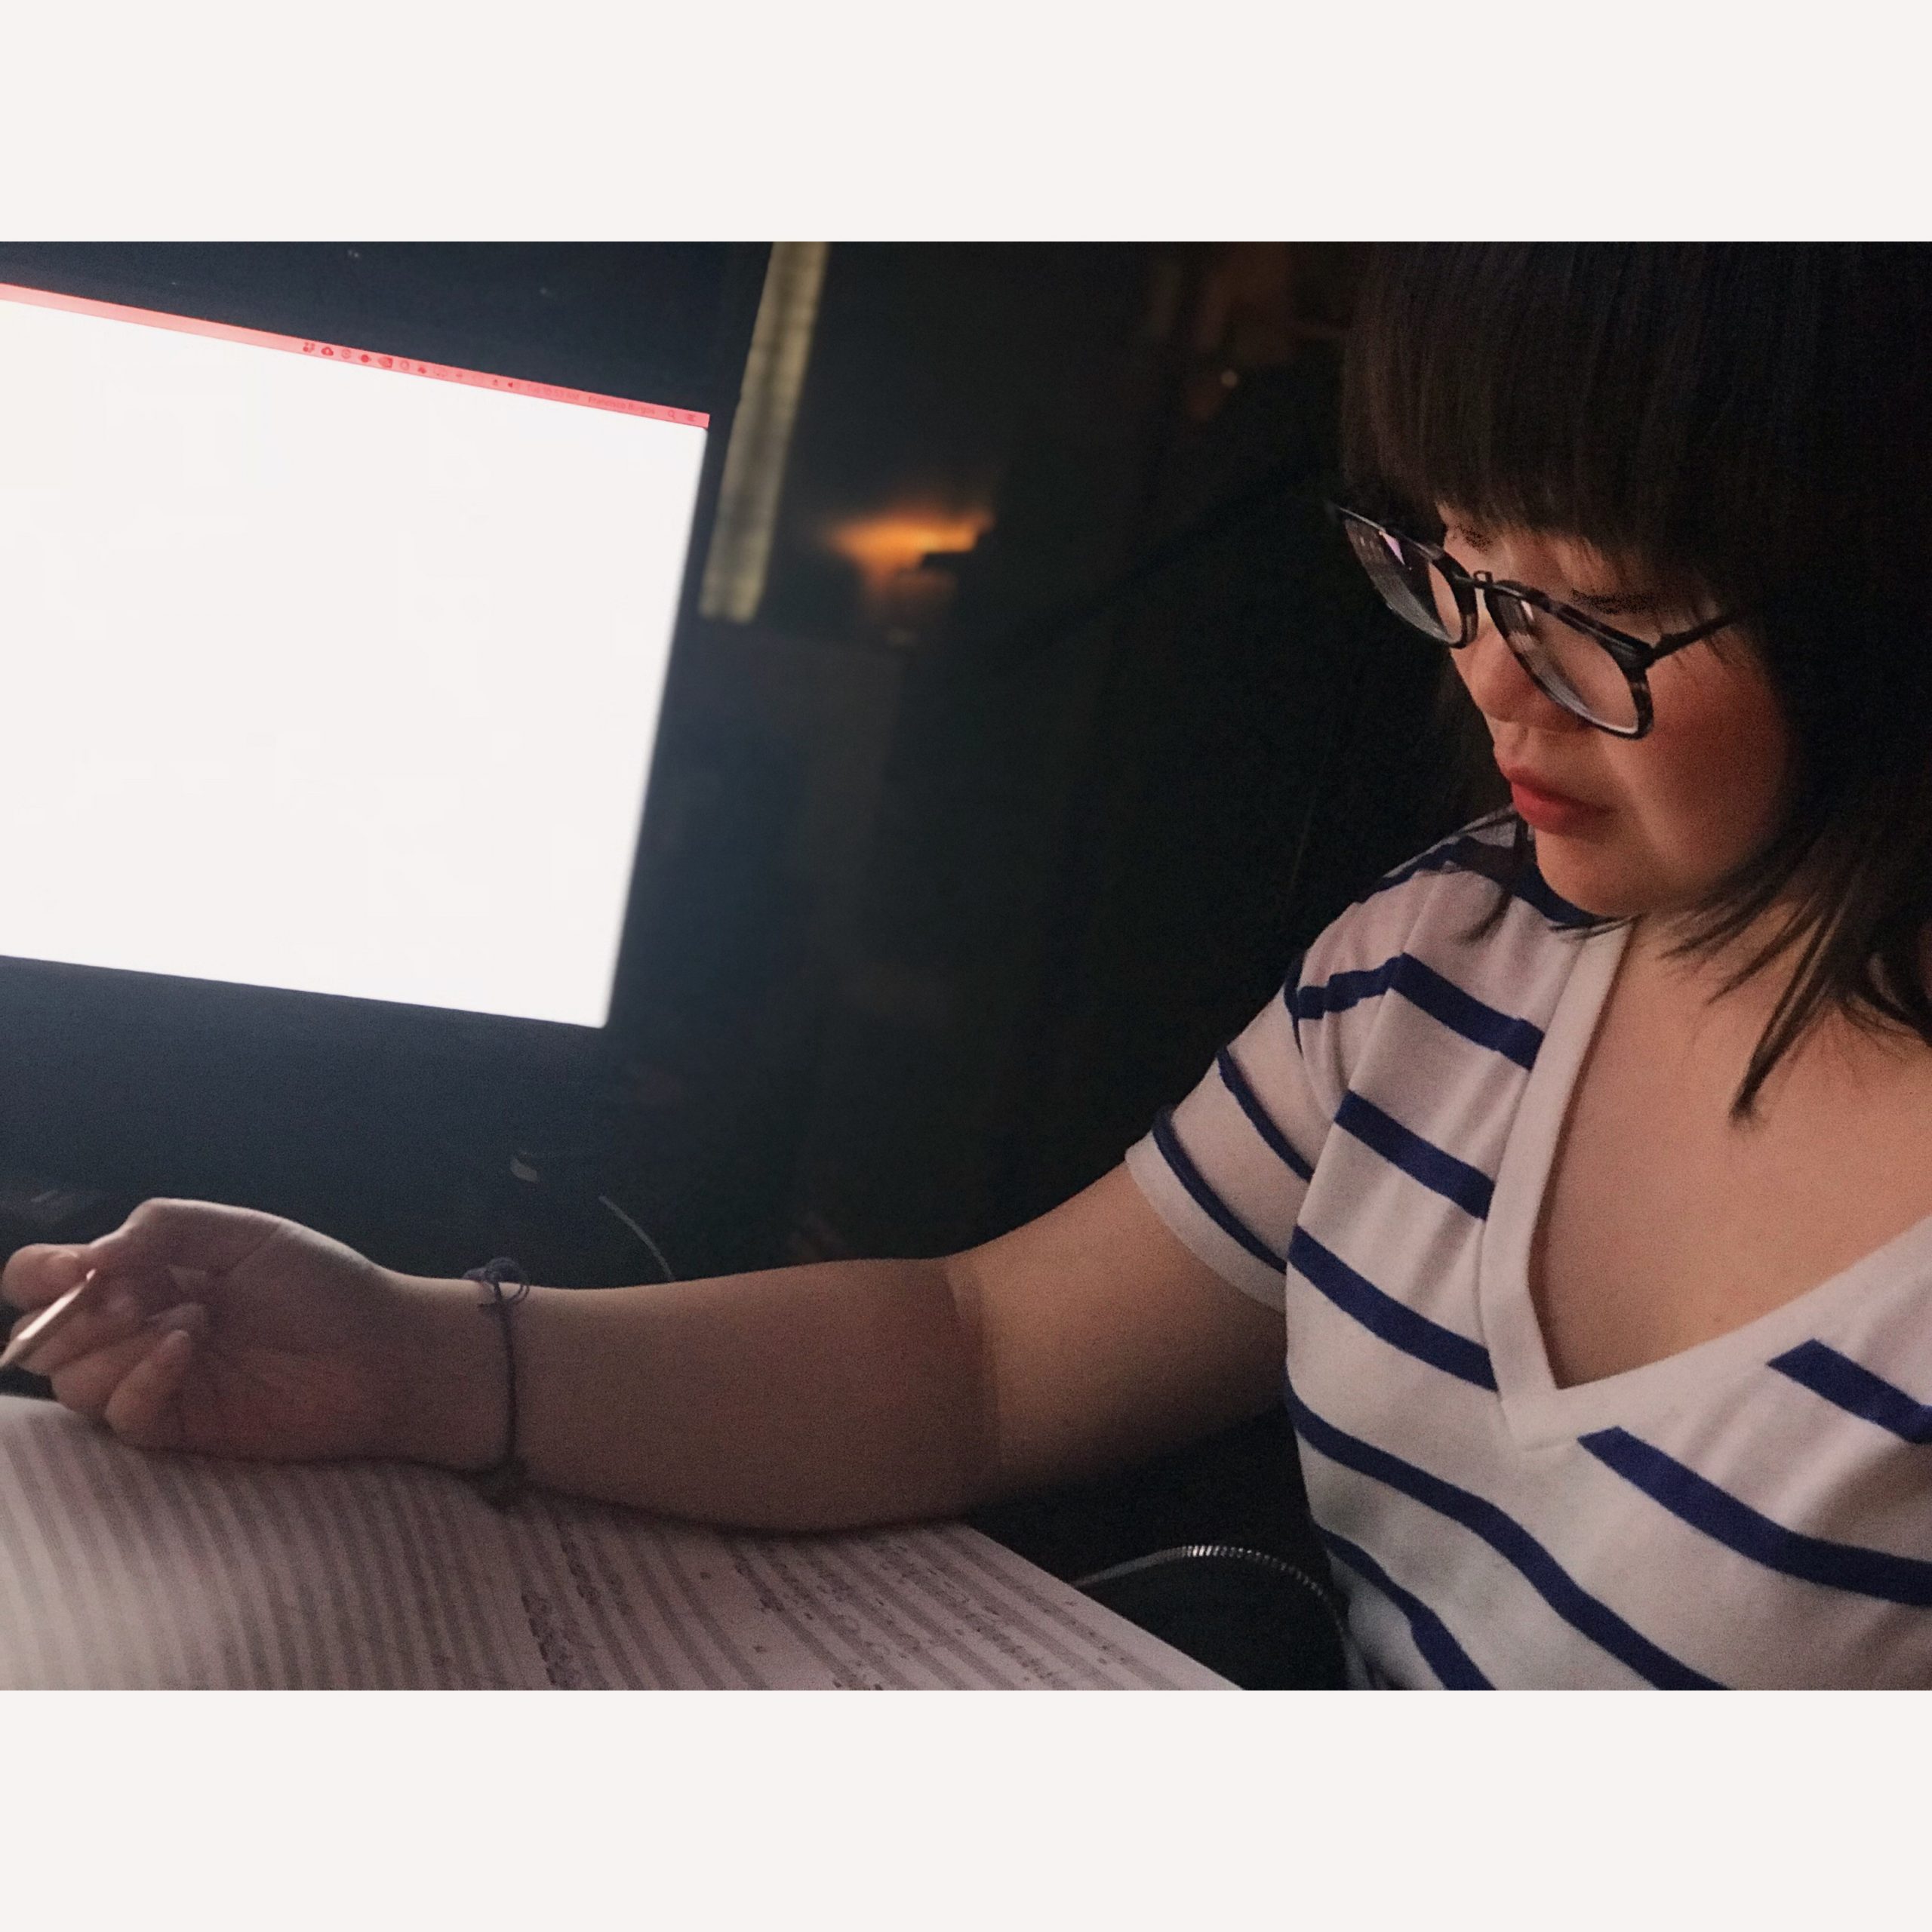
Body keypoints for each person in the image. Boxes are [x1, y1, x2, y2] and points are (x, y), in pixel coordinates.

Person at [8, 244, 1932, 1688]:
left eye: (1595, 609)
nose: (1487, 675)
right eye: (1448, 560)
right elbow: (977, 1355)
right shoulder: (1451, 962)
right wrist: (415, 1348)